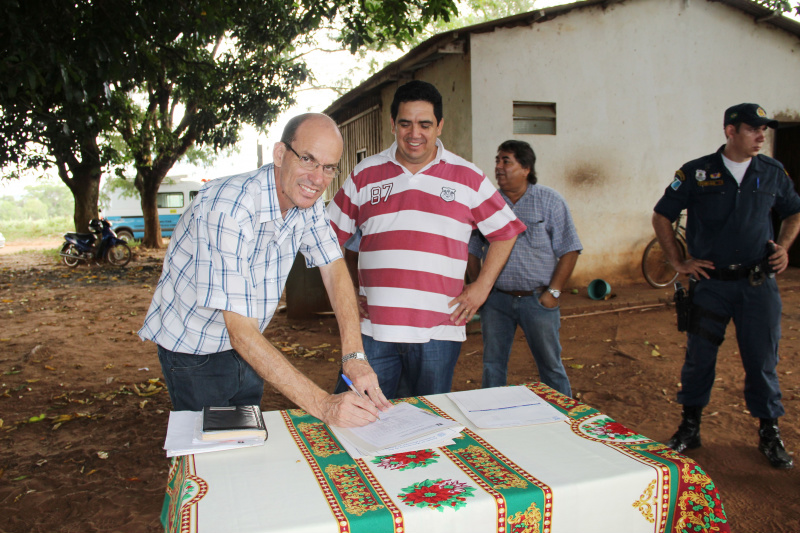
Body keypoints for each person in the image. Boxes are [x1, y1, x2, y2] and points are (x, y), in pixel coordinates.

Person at [139, 113, 391, 427]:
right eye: (308, 160)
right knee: (210, 448)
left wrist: (354, 357)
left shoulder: (306, 201)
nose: (317, 178)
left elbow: (333, 265)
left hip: (251, 341)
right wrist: (325, 406)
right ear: (279, 154)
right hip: (195, 348)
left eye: (328, 167)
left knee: (244, 435)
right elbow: (240, 332)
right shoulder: (228, 208)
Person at [327, 80, 525, 399]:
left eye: (424, 124)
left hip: (439, 331)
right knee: (360, 413)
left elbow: (506, 231)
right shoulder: (365, 173)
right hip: (374, 331)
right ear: (393, 124)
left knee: (427, 417)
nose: (414, 133)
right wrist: (347, 292)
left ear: (440, 126)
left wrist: (482, 287)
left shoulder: (467, 177)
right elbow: (328, 238)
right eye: (405, 123)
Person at [652, 103, 800, 469]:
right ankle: (690, 427)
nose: (761, 136)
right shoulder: (696, 173)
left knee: (762, 360)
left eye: (764, 129)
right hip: (711, 285)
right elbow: (662, 215)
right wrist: (679, 262)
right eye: (753, 129)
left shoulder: (772, 171)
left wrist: (783, 246)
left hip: (757, 284)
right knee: (699, 358)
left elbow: (794, 211)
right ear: (730, 131)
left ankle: (769, 433)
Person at [467, 140, 581, 397]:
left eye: (506, 161)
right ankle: (491, 418)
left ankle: (564, 419)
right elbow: (472, 250)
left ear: (526, 168)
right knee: (492, 365)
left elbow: (570, 249)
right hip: (497, 301)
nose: (498, 167)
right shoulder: (489, 204)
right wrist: (480, 287)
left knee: (550, 366)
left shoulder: (550, 201)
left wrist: (553, 293)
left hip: (537, 301)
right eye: (497, 160)